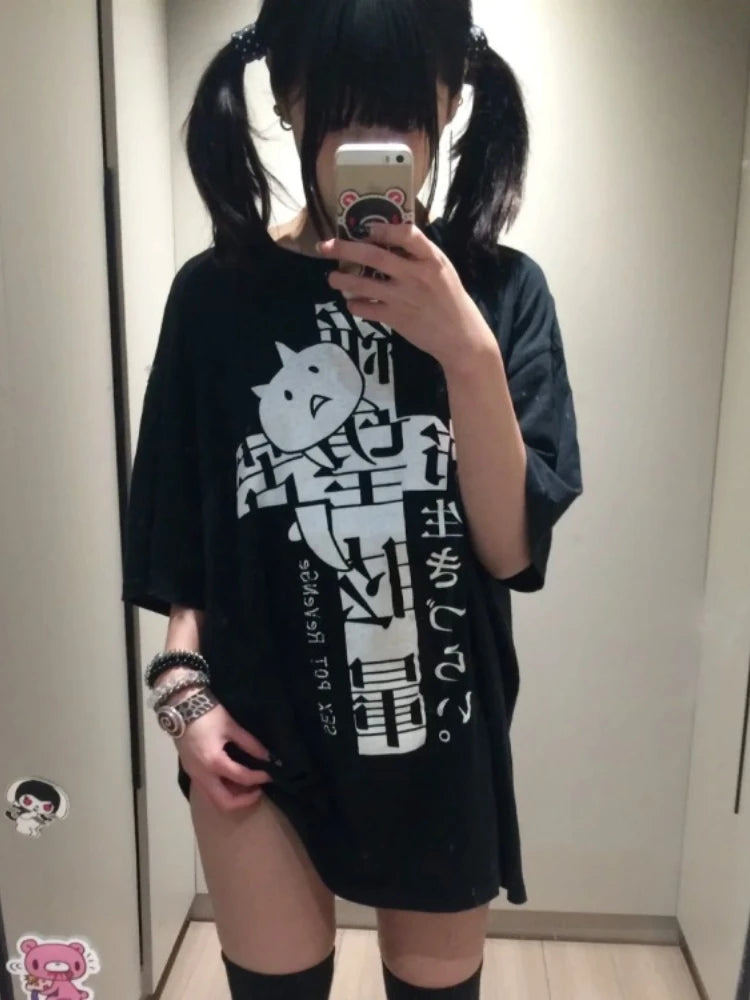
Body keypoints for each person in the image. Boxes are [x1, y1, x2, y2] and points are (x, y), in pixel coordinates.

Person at [121, 2, 583, 998]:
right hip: (254, 734)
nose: (373, 137)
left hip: (436, 735)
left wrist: (465, 351)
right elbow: (185, 538)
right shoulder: (213, 296)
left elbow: (511, 549)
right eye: (341, 107)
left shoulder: (503, 294)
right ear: (287, 102)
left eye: (403, 109)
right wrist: (183, 692)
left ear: (450, 104)